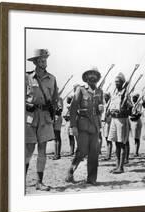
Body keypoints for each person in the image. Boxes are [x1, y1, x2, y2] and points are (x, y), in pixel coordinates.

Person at [25, 49, 59, 191]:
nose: (44, 61)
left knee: (42, 150)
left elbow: (55, 98)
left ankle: (40, 181)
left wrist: (54, 111)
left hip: (45, 117)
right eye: (40, 59)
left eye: (45, 59)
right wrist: (26, 104)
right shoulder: (26, 77)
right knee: (28, 150)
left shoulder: (52, 78)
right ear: (35, 62)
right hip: (30, 117)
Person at [65, 68, 104, 185]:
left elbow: (99, 109)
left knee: (94, 153)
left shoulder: (100, 91)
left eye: (94, 75)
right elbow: (73, 109)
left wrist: (101, 108)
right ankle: (70, 172)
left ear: (97, 78)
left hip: (95, 126)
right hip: (82, 125)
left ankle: (91, 179)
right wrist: (73, 126)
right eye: (89, 75)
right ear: (86, 78)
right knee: (82, 151)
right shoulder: (80, 90)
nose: (92, 77)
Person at [107, 72, 133, 174]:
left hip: (122, 120)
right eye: (115, 82)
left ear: (122, 83)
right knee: (116, 143)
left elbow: (130, 110)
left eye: (118, 82)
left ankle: (121, 167)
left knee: (122, 144)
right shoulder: (114, 93)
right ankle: (117, 165)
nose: (116, 83)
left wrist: (122, 112)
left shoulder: (126, 94)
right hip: (114, 120)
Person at [101, 92, 113, 161]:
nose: (105, 98)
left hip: (108, 122)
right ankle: (108, 154)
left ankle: (109, 155)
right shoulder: (104, 104)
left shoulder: (110, 104)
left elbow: (110, 113)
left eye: (106, 97)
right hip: (104, 123)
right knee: (106, 138)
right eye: (104, 97)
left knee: (109, 139)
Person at [53, 95, 63, 160]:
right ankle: (56, 153)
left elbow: (60, 110)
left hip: (57, 117)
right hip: (53, 117)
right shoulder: (53, 98)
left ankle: (58, 154)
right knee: (55, 137)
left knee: (57, 136)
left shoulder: (58, 98)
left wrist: (53, 110)